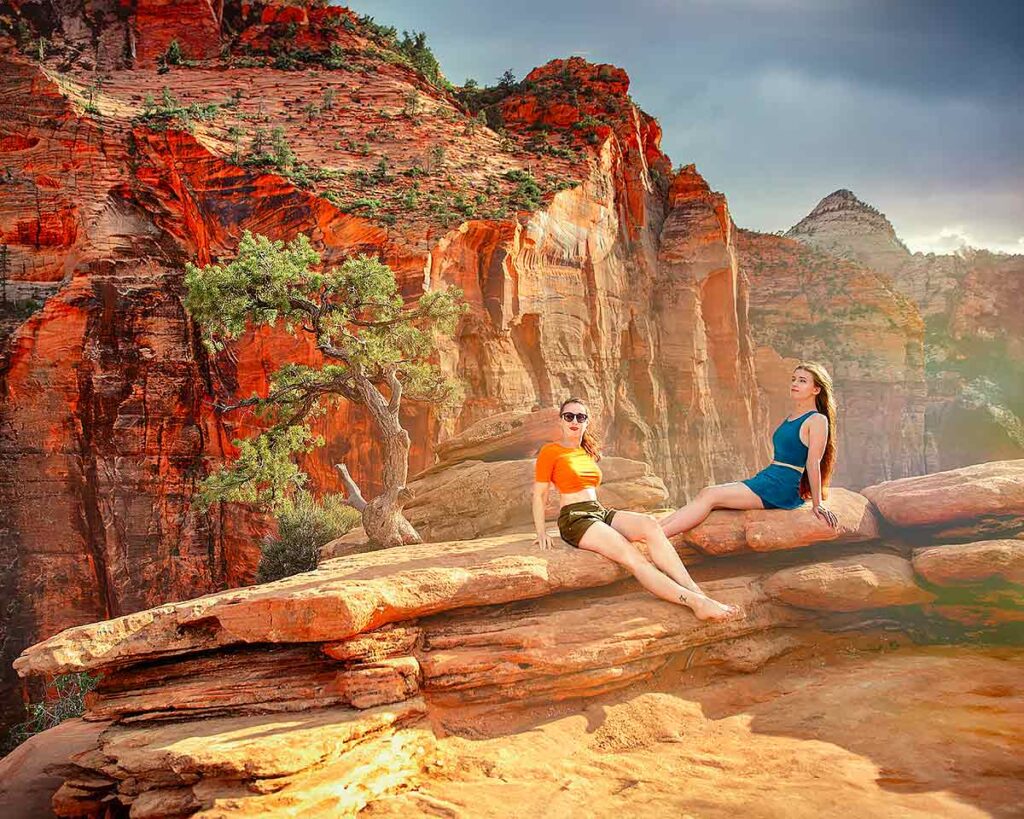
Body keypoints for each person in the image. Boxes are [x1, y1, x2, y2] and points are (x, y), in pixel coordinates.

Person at [532, 397, 740, 621]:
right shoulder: (550, 451)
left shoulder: (586, 452)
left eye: (580, 417)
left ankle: (698, 593)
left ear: (586, 422)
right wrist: (541, 532)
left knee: (650, 525)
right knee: (633, 558)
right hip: (575, 518)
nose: (574, 421)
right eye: (569, 416)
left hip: (598, 512)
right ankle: (695, 603)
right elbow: (540, 493)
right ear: (561, 421)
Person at [659, 361, 839, 540]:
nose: (794, 384)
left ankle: (658, 535)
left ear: (816, 390)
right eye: (793, 379)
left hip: (781, 487)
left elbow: (813, 462)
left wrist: (817, 504)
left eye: (802, 381)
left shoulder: (817, 420)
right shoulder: (793, 416)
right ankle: (656, 529)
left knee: (711, 495)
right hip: (768, 477)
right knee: (708, 493)